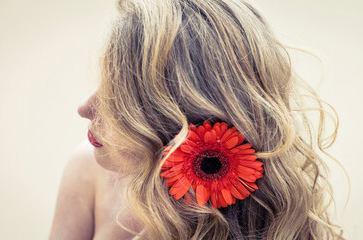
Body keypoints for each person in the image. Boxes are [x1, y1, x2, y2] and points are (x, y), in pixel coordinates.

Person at [49, 0, 345, 239]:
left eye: (120, 95)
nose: (84, 107)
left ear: (178, 115)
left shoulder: (257, 219)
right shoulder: (87, 168)